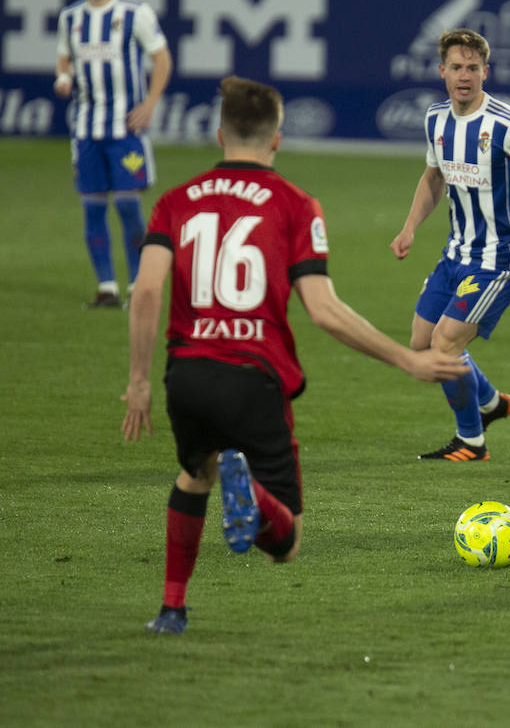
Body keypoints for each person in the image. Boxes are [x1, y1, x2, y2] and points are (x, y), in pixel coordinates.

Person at [122, 76, 468, 635]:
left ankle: (172, 608)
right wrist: (408, 360)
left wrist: (139, 381)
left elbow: (145, 291)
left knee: (193, 475)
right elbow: (325, 310)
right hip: (254, 379)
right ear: (277, 138)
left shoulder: (174, 201)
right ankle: (251, 491)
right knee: (284, 545)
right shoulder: (293, 204)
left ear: (218, 133)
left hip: (185, 374)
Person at [390, 29, 510, 463]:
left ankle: (471, 441)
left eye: (472, 68)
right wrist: (410, 226)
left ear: (485, 72)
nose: (463, 76)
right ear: (441, 71)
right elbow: (433, 176)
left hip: (498, 259)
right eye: (456, 67)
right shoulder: (435, 119)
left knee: (446, 345)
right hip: (456, 254)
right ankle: (489, 401)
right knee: (421, 343)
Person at [56, 0, 172, 308]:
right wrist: (63, 77)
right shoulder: (70, 18)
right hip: (87, 132)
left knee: (126, 204)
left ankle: (138, 284)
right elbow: (65, 61)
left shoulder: (135, 13)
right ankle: (107, 286)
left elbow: (162, 58)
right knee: (92, 207)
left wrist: (150, 103)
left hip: (126, 133)